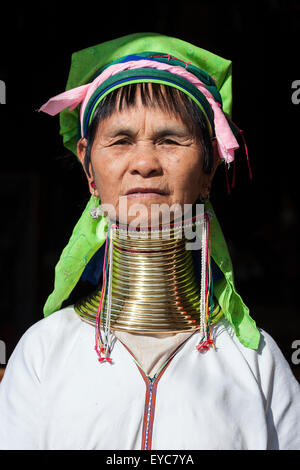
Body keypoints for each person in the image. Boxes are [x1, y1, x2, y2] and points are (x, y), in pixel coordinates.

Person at [0, 32, 299, 450]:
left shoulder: (257, 361)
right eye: (120, 141)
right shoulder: (42, 354)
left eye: (170, 140)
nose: (144, 163)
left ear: (209, 168)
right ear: (89, 166)